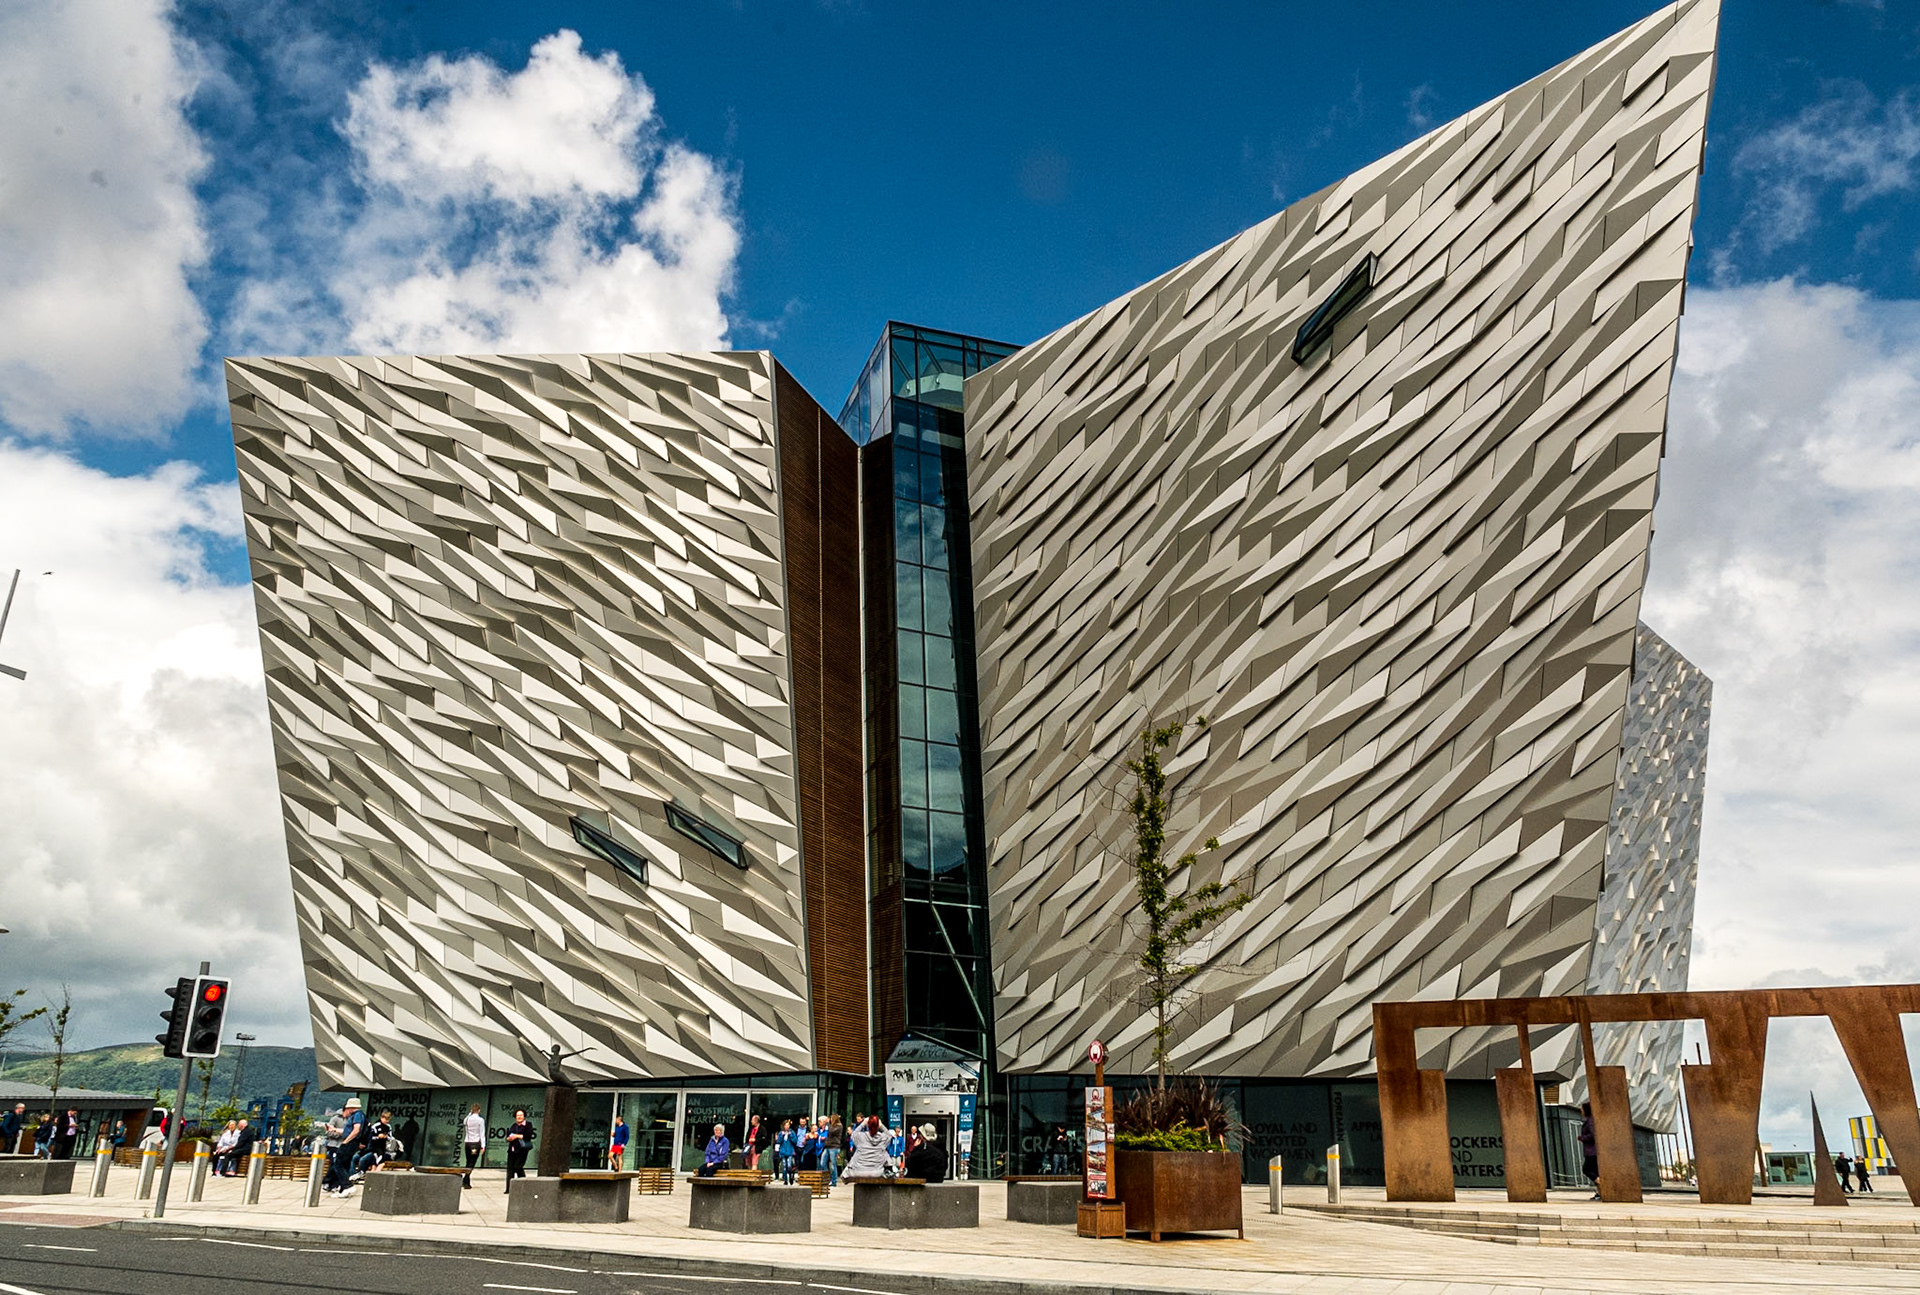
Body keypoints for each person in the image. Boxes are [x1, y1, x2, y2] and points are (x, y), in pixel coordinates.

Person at [843, 1114, 890, 1180]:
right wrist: (881, 1125)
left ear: (867, 1125)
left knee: (856, 1153)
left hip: (858, 1171)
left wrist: (863, 1123)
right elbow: (889, 1135)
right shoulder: (882, 1137)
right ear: (878, 1126)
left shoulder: (861, 1136)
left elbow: (853, 1134)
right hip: (877, 1172)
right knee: (884, 1152)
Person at [504, 1109, 535, 1188]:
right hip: (512, 1150)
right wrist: (509, 1138)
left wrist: (516, 1136)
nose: (519, 1117)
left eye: (521, 1115)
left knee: (518, 1167)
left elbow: (528, 1136)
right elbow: (508, 1136)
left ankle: (523, 1185)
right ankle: (509, 1188)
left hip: (522, 1150)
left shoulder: (528, 1125)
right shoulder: (513, 1126)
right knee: (510, 1170)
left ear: (524, 1116)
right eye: (518, 1115)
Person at [1577, 1104, 1599, 1200]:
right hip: (1592, 1150)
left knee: (1587, 1169)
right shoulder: (1590, 1120)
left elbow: (1593, 1135)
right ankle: (1600, 1192)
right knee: (1595, 1172)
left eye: (1582, 1109)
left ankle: (1602, 1183)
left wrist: (1582, 1138)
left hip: (1592, 1151)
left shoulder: (1590, 1121)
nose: (1581, 1111)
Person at [462, 1103, 486, 1188]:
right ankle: (466, 1180)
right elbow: (482, 1133)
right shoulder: (480, 1120)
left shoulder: (467, 1119)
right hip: (475, 1143)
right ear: (479, 1110)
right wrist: (483, 1145)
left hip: (467, 1143)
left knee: (468, 1161)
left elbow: (464, 1121)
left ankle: (466, 1180)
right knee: (472, 1163)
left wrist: (469, 1113)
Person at [822, 1115, 845, 1187]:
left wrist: (827, 1123)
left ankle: (834, 1181)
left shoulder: (839, 1126)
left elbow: (831, 1132)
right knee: (822, 1163)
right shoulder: (830, 1126)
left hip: (834, 1147)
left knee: (833, 1165)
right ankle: (827, 1178)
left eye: (831, 1119)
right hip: (827, 1146)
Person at [774, 1119, 797, 1185]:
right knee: (784, 1166)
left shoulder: (792, 1132)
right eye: (786, 1125)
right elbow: (778, 1141)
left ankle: (790, 1177)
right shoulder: (781, 1133)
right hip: (783, 1151)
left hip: (790, 1151)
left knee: (789, 1165)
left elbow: (795, 1141)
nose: (787, 1127)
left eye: (788, 1125)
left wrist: (791, 1136)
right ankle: (785, 1180)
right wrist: (781, 1136)